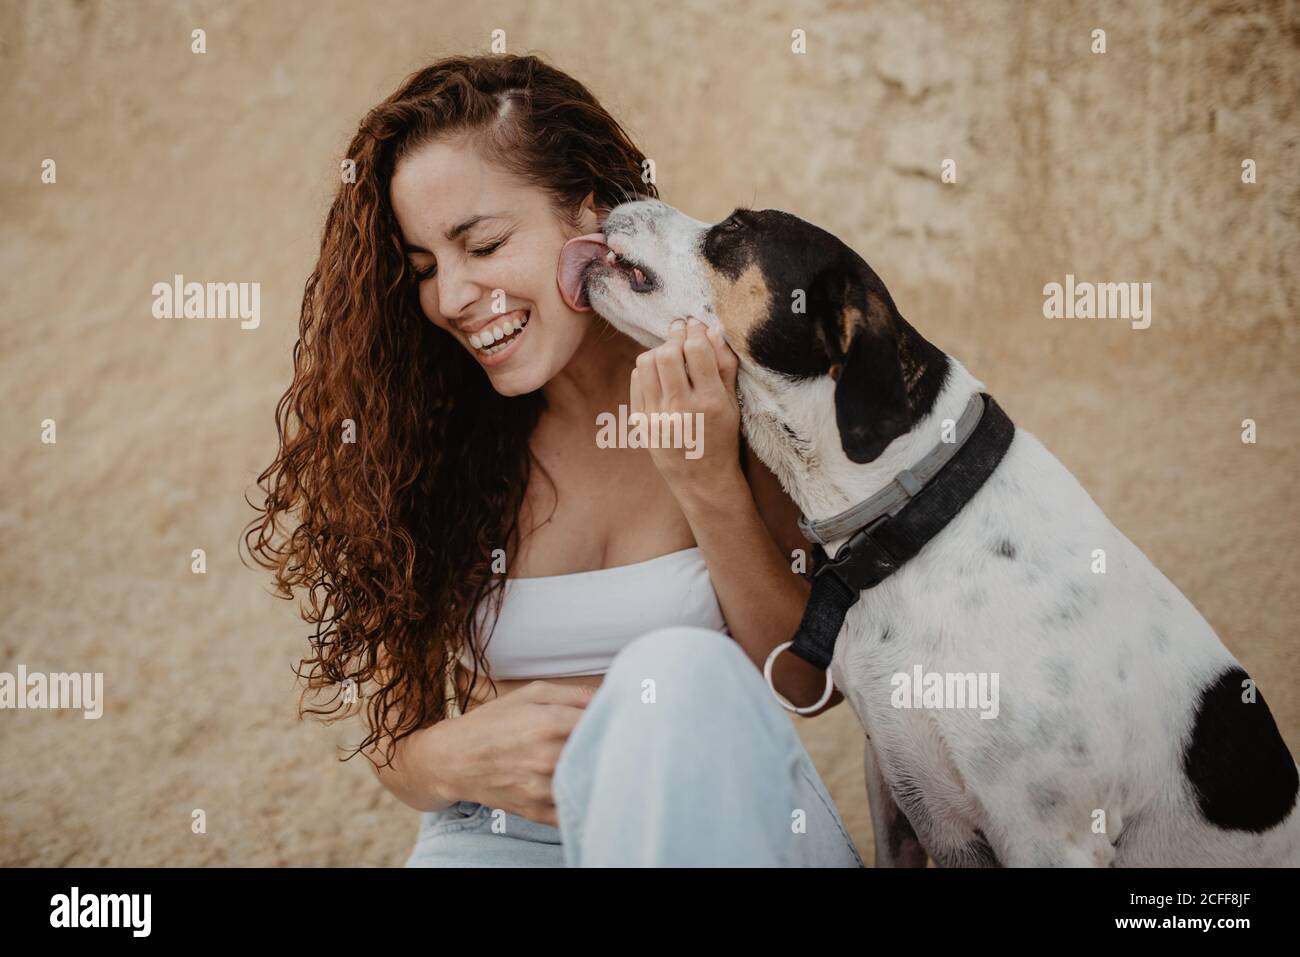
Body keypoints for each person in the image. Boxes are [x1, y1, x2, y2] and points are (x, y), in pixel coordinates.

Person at [244, 53, 862, 867]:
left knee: (675, 669)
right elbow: (399, 736)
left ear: (589, 213)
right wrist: (448, 758)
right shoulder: (432, 437)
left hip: (728, 826)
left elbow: (807, 683)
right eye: (425, 268)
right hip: (499, 836)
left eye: (485, 243)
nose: (453, 296)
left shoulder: (729, 384)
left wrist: (706, 483)